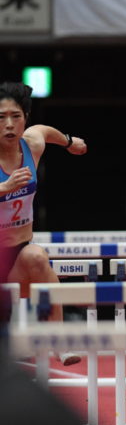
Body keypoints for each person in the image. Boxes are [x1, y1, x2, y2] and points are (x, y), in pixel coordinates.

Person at [0, 82, 87, 365]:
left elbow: (46, 131)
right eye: (1, 118)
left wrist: (70, 141)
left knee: (38, 256)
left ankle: (57, 340)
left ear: (25, 117)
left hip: (19, 255)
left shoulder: (31, 143)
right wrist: (4, 188)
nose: (9, 125)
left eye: (16, 116)